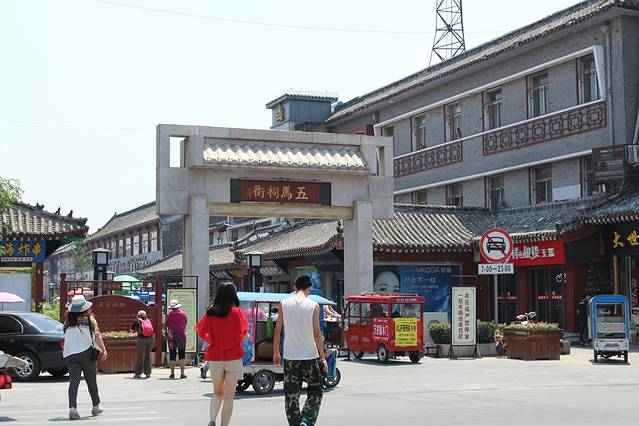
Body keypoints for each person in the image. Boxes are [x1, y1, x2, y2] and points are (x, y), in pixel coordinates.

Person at [273, 275, 328, 426]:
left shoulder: (283, 304)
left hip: (290, 357)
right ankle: (306, 420)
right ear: (309, 288)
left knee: (291, 394)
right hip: (310, 356)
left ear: (295, 287)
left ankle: (296, 423)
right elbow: (317, 334)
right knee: (315, 390)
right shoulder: (313, 306)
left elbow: (277, 331)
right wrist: (322, 358)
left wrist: (276, 352)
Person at [195, 282, 248, 426]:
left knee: (217, 393)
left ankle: (212, 420)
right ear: (233, 295)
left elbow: (201, 332)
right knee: (229, 397)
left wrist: (213, 340)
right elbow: (244, 335)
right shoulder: (238, 313)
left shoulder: (211, 312)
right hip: (234, 357)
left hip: (215, 357)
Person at [63, 295, 108, 420]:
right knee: (91, 381)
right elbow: (97, 335)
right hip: (86, 354)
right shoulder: (90, 320)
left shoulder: (67, 322)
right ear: (84, 309)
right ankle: (96, 406)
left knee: (73, 382)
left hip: (70, 355)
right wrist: (104, 350)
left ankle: (73, 409)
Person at [166, 299, 188, 379]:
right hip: (181, 336)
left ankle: (172, 373)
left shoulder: (169, 315)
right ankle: (182, 373)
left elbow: (167, 324)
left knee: (172, 354)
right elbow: (185, 323)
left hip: (171, 336)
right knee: (182, 354)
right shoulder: (183, 314)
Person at [131, 310, 154, 378]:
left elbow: (132, 329)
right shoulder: (148, 320)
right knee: (148, 355)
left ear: (138, 315)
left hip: (141, 339)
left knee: (140, 356)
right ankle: (148, 373)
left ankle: (138, 373)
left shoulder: (137, 321)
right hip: (150, 338)